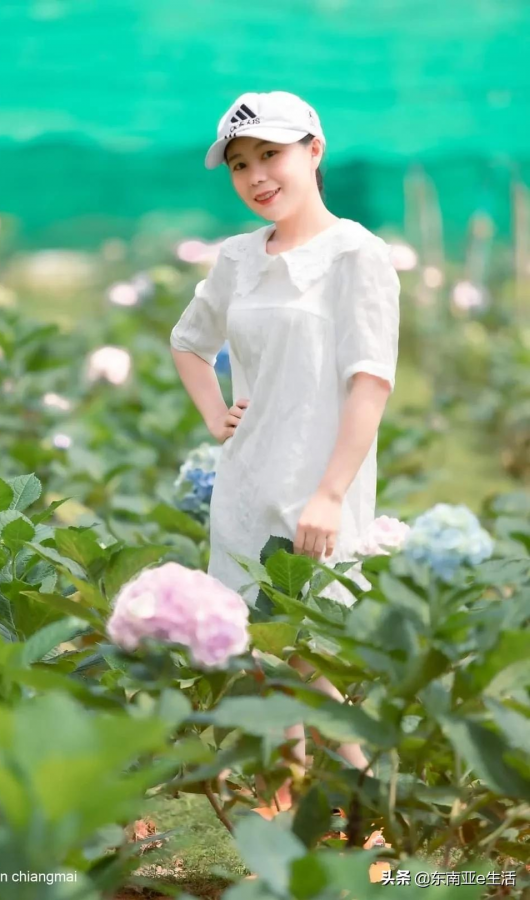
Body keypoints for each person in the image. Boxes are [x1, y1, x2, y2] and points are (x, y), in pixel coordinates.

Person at [170, 90, 400, 813]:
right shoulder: (238, 258)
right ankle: (281, 812)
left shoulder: (356, 254)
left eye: (269, 154)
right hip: (244, 481)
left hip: (316, 485)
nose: (255, 175)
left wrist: (331, 493)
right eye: (239, 164)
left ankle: (377, 800)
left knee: (301, 649)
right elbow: (189, 342)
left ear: (314, 151)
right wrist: (217, 418)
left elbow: (371, 382)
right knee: (257, 656)